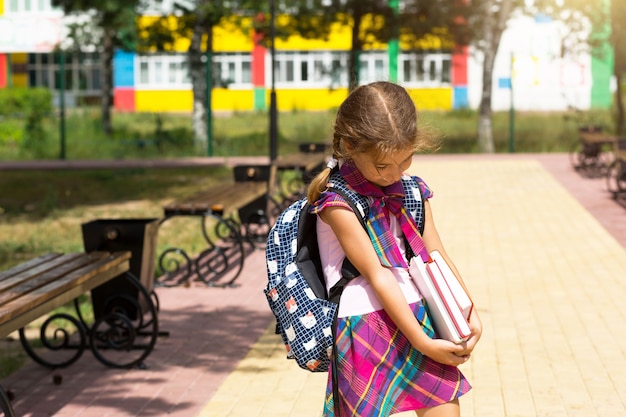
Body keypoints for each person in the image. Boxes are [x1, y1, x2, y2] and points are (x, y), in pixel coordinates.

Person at [306, 81, 482, 417]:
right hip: (363, 324)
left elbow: (436, 257)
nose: (394, 174)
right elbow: (378, 275)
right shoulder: (336, 202)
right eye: (382, 166)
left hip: (416, 311)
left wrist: (468, 309)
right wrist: (421, 341)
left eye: (405, 160)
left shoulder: (413, 192)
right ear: (349, 146)